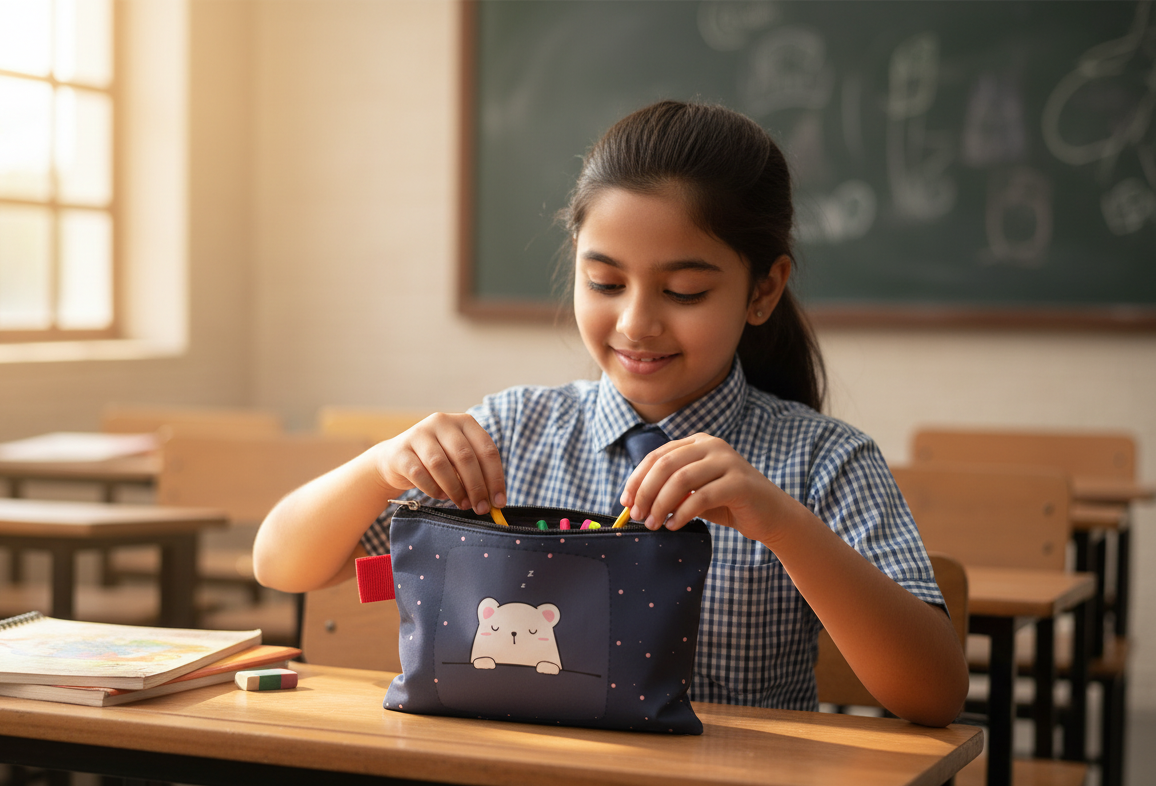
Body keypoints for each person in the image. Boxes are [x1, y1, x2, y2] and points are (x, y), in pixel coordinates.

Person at [254, 100, 969, 731]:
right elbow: (280, 563)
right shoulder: (512, 433)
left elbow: (934, 693)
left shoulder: (821, 461)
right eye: (605, 281)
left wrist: (779, 522)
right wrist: (380, 467)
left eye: (684, 291)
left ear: (763, 289)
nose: (636, 322)